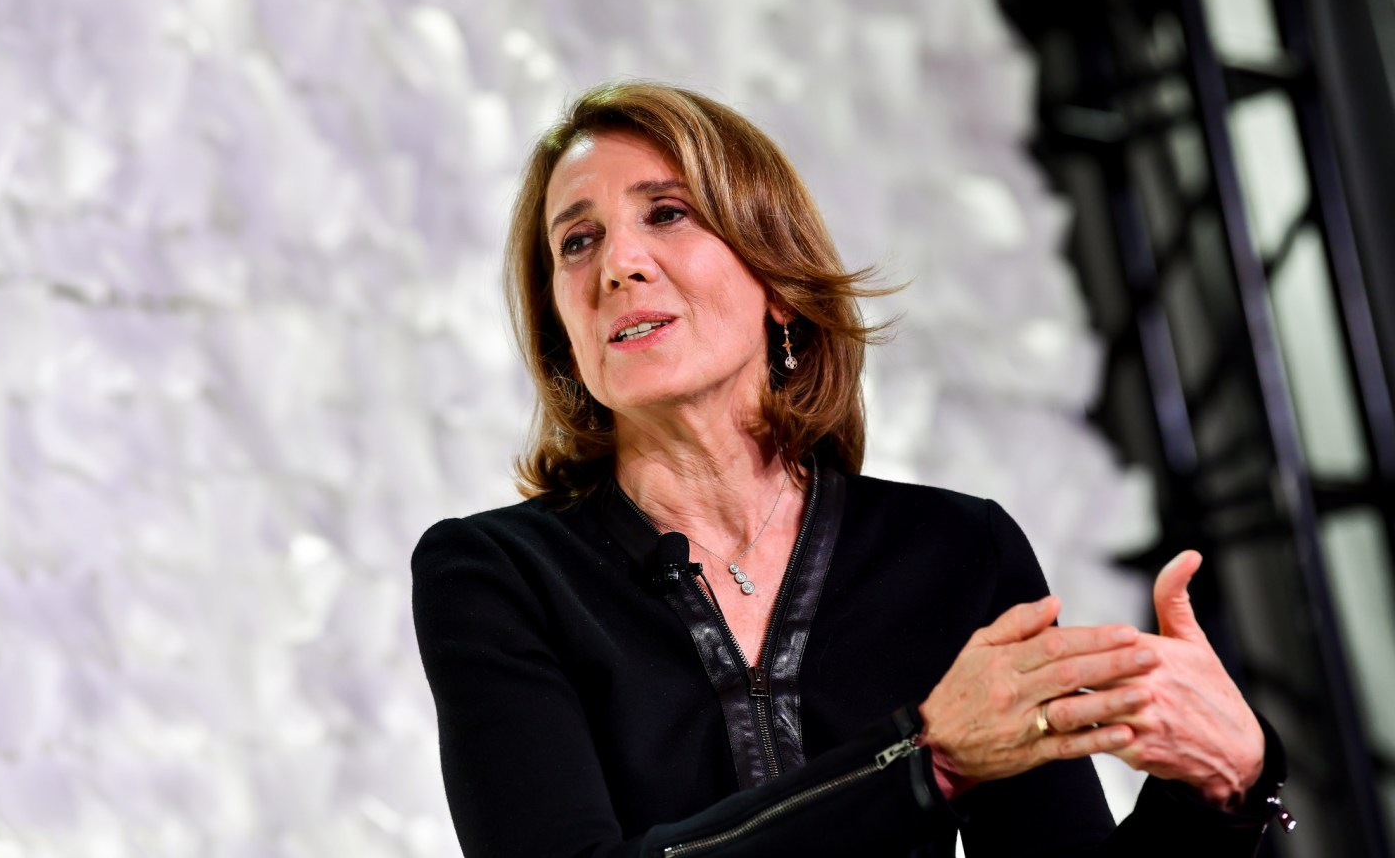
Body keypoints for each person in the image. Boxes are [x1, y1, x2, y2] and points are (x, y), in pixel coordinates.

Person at [411, 81, 1292, 857]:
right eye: (577, 241)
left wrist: (1225, 790)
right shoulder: (495, 575)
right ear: (563, 328)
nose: (619, 263)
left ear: (778, 281)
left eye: (668, 212)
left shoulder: (953, 551)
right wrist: (924, 760)